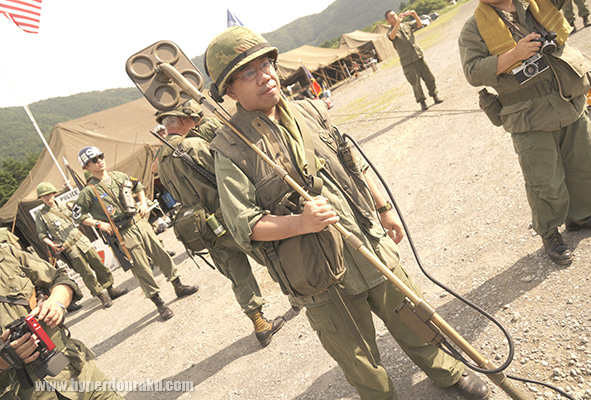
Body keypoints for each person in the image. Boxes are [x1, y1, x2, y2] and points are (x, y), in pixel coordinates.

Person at [204, 26, 490, 400]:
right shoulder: (229, 147)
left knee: (412, 315)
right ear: (229, 89)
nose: (265, 76)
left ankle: (448, 372)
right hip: (317, 271)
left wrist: (382, 208)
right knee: (356, 355)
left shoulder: (309, 110)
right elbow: (246, 226)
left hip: (366, 239)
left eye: (266, 64)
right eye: (249, 73)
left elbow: (349, 163)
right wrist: (300, 223)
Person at [458, 0, 591, 265]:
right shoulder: (474, 27)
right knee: (545, 181)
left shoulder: (538, 3)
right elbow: (473, 71)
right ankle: (549, 233)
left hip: (568, 101)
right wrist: (514, 54)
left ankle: (580, 216)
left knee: (585, 165)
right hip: (528, 115)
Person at [153, 101, 285, 346]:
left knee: (236, 272)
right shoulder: (193, 145)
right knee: (269, 253)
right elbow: (226, 172)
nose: (196, 122)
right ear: (182, 121)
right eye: (192, 119)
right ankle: (299, 294)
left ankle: (260, 324)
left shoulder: (161, 160)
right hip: (227, 214)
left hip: (204, 225)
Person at [71, 146, 199, 320]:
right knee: (140, 267)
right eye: (93, 160)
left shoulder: (119, 176)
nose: (99, 160)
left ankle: (178, 285)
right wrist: (98, 223)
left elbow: (138, 185)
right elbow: (77, 215)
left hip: (139, 223)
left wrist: (142, 203)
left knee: (161, 254)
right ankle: (159, 303)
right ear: (86, 167)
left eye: (100, 156)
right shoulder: (89, 192)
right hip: (122, 231)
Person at [0, 243, 124, 399]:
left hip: (74, 370)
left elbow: (59, 278)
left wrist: (56, 302)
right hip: (25, 392)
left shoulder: (6, 254)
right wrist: (5, 360)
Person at [34, 182, 128, 308]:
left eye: (49, 194)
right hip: (69, 247)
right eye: (43, 196)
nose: (47, 197)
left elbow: (81, 215)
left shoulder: (67, 205)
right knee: (86, 273)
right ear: (40, 198)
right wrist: (52, 244)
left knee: (98, 264)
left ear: (54, 193)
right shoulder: (41, 215)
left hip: (81, 240)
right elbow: (42, 234)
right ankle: (101, 295)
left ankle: (110, 289)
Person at [385, 9, 443, 111]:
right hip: (407, 61)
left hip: (418, 56)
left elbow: (419, 24)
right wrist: (398, 22)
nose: (394, 16)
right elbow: (392, 36)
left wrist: (415, 14)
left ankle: (435, 96)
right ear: (388, 21)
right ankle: (422, 102)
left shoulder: (406, 25)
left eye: (394, 14)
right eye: (391, 16)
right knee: (415, 83)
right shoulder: (390, 32)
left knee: (429, 77)